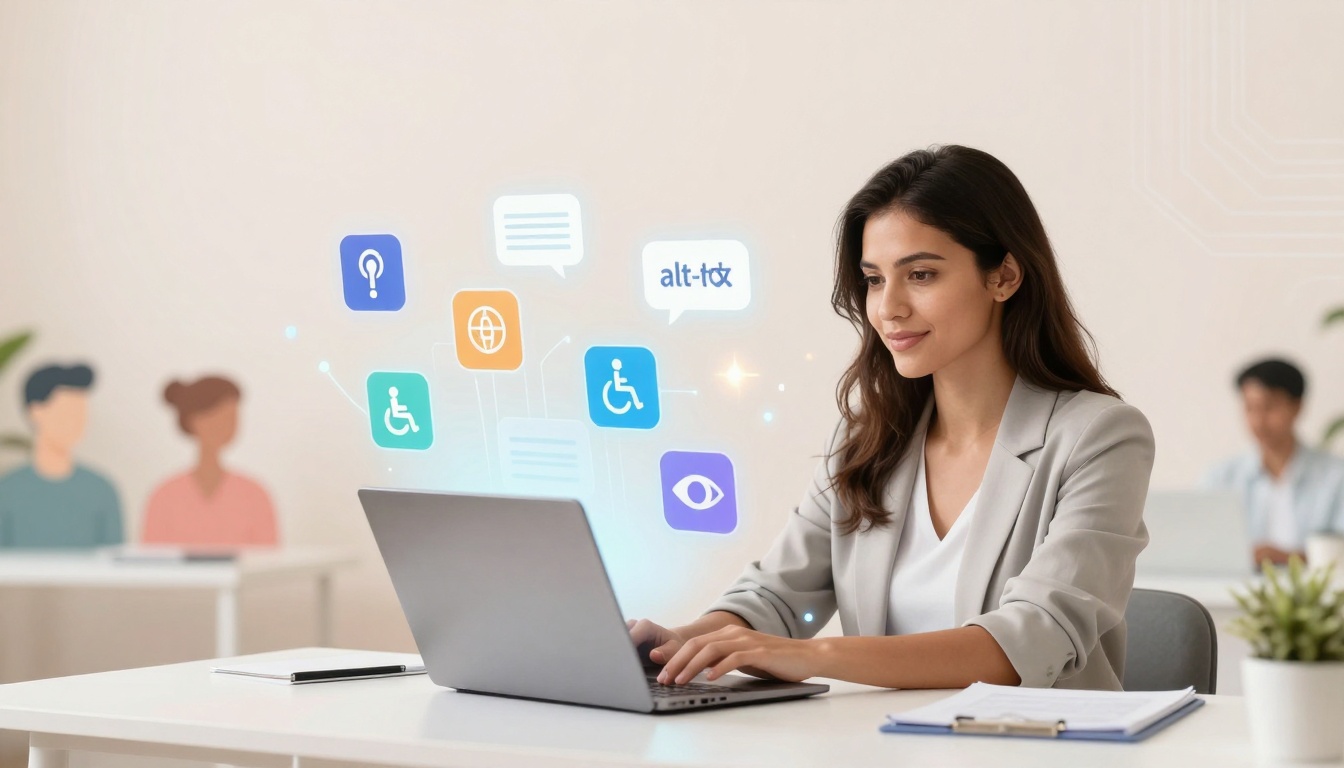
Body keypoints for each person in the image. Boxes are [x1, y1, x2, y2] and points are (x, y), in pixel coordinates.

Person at [628, 145, 1155, 691]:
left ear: (1004, 277)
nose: (888, 308)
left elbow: (1034, 637)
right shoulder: (868, 439)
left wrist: (815, 656)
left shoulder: (1100, 436)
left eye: (921, 274)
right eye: (874, 279)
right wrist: (678, 644)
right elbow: (776, 599)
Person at [1203, 359, 1344, 566]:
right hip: (1232, 594)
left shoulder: (1336, 476)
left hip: (1317, 596)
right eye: (1250, 408)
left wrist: (1288, 558)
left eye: (1269, 407)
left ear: (1297, 407)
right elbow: (1204, 547)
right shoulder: (1221, 477)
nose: (1259, 421)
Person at [142, 375, 278, 547]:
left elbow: (270, 565)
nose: (227, 425)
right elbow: (150, 564)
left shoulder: (255, 495)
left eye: (232, 418)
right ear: (195, 421)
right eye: (220, 417)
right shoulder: (164, 497)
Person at [0, 364, 123, 548]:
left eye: (81, 412)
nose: (77, 421)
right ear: (36, 412)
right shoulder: (8, 490)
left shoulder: (101, 490)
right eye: (67, 411)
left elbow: (114, 565)